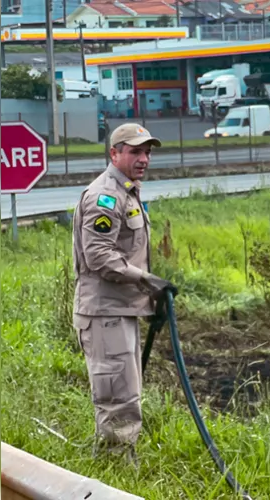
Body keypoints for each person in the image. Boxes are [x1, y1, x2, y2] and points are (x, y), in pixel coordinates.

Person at [71, 123, 178, 462]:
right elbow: (99, 256)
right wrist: (147, 280)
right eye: (135, 151)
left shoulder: (128, 191)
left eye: (147, 152)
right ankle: (115, 468)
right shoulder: (106, 196)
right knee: (117, 396)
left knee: (126, 391)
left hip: (121, 310)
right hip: (104, 313)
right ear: (114, 153)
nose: (143, 158)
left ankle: (118, 459)